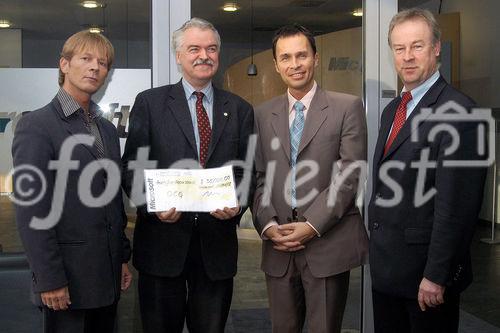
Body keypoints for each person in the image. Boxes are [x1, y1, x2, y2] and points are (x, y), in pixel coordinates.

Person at [121, 18, 254, 333]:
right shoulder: (150, 103)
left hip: (216, 248)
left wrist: (238, 204)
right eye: (194, 48)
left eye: (211, 49)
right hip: (160, 245)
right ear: (178, 56)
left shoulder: (239, 109)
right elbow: (131, 167)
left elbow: (249, 171)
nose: (203, 55)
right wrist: (152, 204)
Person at [368, 8, 487, 333]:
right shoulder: (393, 109)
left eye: (417, 46)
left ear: (436, 48)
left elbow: (457, 210)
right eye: (399, 48)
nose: (407, 57)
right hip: (388, 272)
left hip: (426, 280)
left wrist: (437, 275)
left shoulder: (461, 113)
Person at [12, 30, 132, 333]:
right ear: (64, 65)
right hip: (65, 282)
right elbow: (32, 211)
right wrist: (49, 278)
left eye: (103, 63)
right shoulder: (36, 126)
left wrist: (121, 257)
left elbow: (112, 200)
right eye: (86, 59)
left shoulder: (106, 129)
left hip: (106, 278)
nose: (95, 68)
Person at [252, 24, 369, 333]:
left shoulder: (347, 107)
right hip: (279, 248)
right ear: (276, 65)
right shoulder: (263, 114)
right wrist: (268, 224)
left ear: (316, 58)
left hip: (327, 243)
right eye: (286, 57)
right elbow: (259, 177)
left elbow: (350, 174)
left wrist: (311, 225)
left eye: (302, 55)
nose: (295, 64)